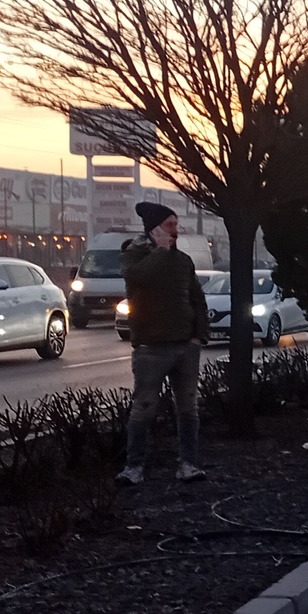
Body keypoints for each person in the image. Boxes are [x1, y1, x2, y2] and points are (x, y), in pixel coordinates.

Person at [118, 201, 211, 485]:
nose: (175, 231)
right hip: (150, 347)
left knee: (188, 408)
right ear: (155, 229)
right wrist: (159, 251)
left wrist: (198, 336)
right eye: (170, 226)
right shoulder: (133, 257)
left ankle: (188, 464)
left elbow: (197, 299)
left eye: (176, 225)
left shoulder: (183, 260)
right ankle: (134, 467)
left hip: (185, 347)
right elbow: (138, 278)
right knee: (143, 407)